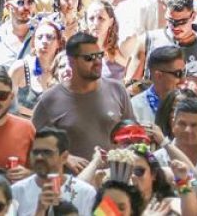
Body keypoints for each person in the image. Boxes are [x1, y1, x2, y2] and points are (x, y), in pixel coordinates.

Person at [31, 31, 135, 159]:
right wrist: (65, 158)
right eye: (89, 58)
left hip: (112, 176)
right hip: (72, 178)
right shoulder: (50, 100)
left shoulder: (117, 90)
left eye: (99, 55)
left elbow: (132, 135)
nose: (97, 62)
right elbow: (33, 144)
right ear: (72, 61)